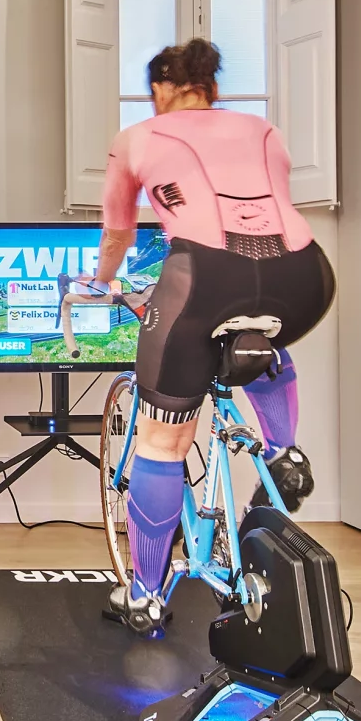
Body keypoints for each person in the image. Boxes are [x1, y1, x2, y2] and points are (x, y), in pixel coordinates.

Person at [88, 37, 334, 634]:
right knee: (263, 332)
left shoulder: (134, 139)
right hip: (306, 278)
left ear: (159, 89)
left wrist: (103, 282)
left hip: (204, 277)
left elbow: (118, 233)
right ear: (212, 87)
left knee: (163, 443)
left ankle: (145, 595)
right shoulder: (264, 130)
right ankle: (282, 451)